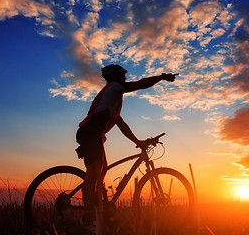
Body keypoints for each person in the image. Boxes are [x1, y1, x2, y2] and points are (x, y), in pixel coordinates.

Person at [75, 64, 177, 233]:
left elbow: (122, 125)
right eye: (122, 76)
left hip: (93, 134)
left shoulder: (112, 101)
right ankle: (87, 218)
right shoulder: (114, 88)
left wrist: (138, 141)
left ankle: (98, 208)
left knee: (103, 170)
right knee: (94, 173)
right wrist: (162, 77)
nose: (124, 79)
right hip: (91, 132)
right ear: (115, 77)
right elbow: (140, 84)